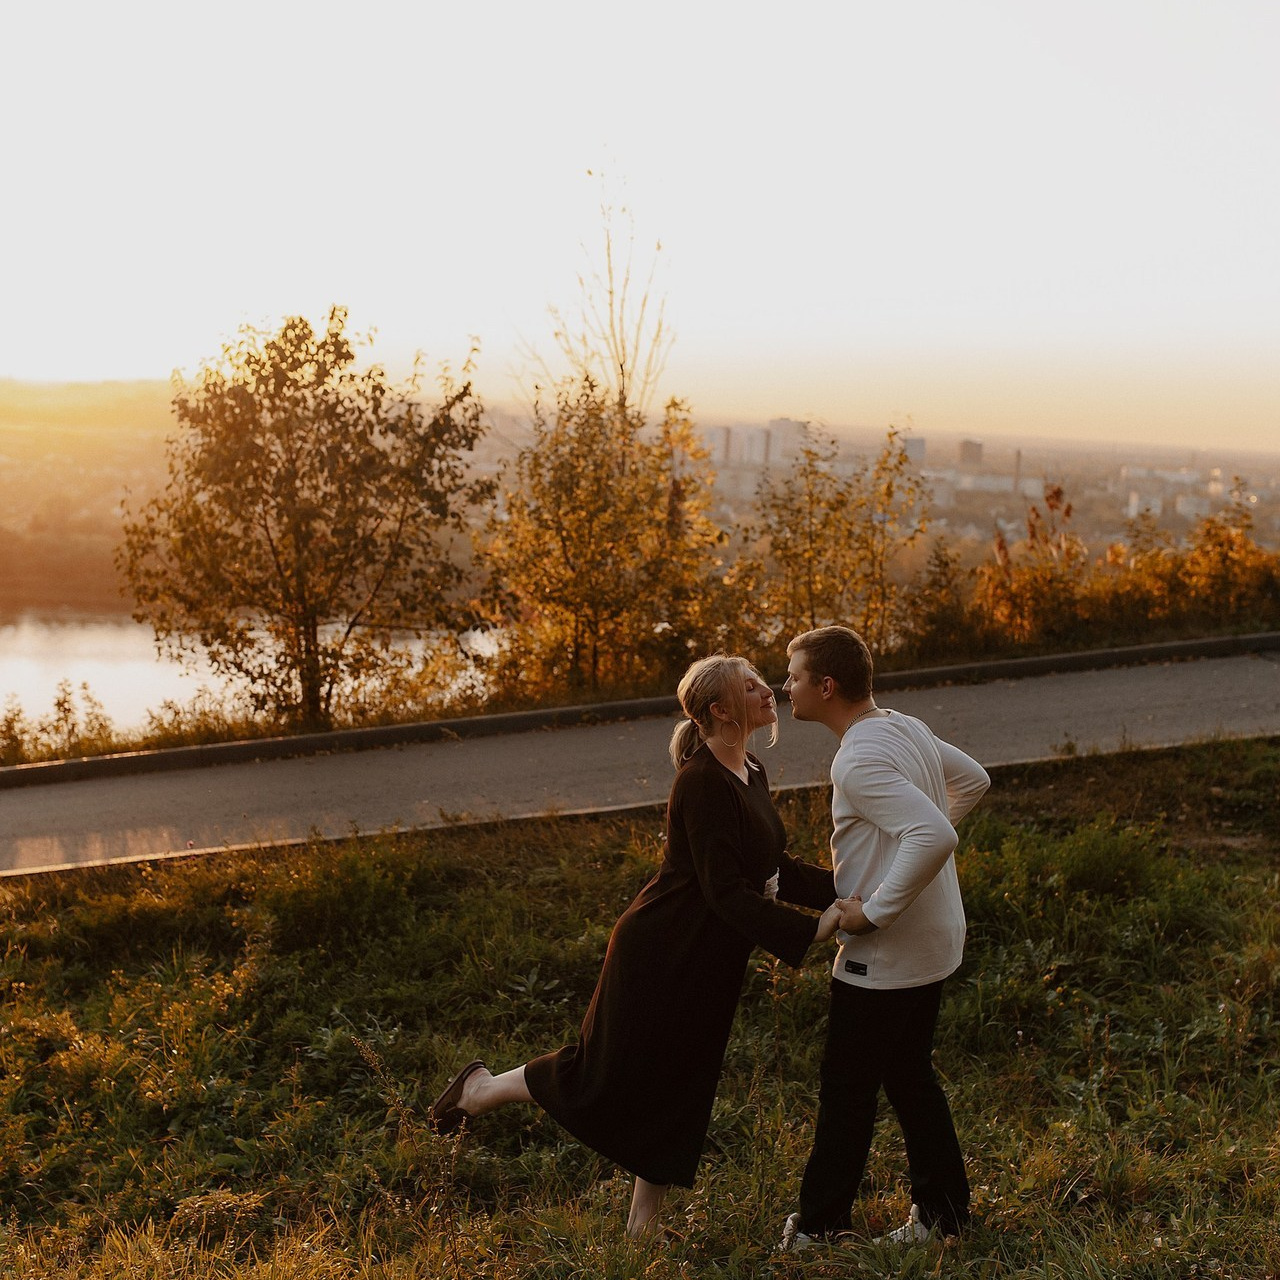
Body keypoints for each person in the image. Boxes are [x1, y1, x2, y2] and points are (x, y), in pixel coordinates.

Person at [430, 653, 845, 1238]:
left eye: (762, 681)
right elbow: (725, 892)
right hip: (661, 952)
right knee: (601, 1075)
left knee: (682, 1080)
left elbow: (768, 863)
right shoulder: (700, 782)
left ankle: (641, 1225)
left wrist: (845, 886)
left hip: (708, 959)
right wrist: (816, 928)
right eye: (749, 686)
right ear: (720, 709)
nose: (765, 690)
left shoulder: (750, 769)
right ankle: (478, 1091)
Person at [777, 625, 990, 1252]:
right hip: (932, 941)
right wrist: (905, 858)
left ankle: (818, 1229)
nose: (784, 686)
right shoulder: (902, 726)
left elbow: (934, 835)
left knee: (847, 1090)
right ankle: (945, 1217)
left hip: (888, 952)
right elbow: (973, 781)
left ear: (826, 685)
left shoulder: (860, 757)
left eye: (792, 676)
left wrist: (875, 912)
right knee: (908, 1075)